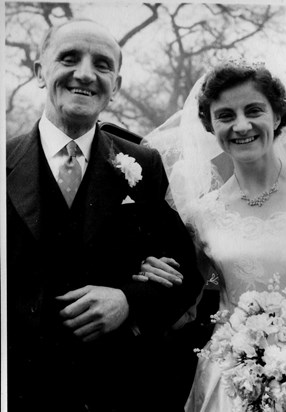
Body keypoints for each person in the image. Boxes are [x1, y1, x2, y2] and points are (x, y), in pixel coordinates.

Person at [6, 18, 204, 412]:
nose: (85, 74)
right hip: (19, 385)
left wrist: (129, 300)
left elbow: (185, 270)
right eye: (69, 58)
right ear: (40, 73)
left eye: (102, 65)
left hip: (115, 388)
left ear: (116, 86)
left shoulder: (142, 163)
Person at [139, 60, 286, 411]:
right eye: (225, 115)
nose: (241, 126)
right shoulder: (202, 214)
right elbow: (182, 301)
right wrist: (149, 275)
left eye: (254, 110)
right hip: (233, 383)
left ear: (278, 116)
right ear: (209, 126)